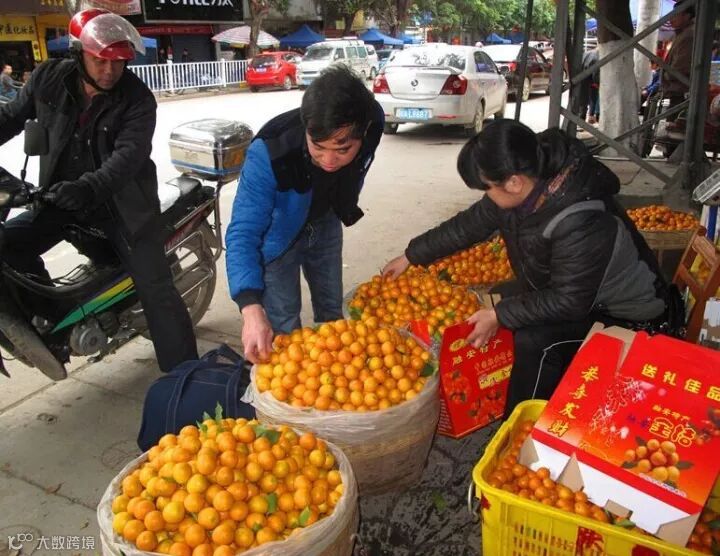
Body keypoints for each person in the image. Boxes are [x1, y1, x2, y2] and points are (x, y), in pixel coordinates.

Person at [383, 119, 667, 416]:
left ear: (514, 183)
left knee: (535, 340)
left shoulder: (580, 218)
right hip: (574, 292)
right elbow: (468, 225)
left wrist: (500, 315)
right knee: (501, 296)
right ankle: (514, 386)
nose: (486, 195)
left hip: (626, 316)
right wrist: (410, 256)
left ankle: (518, 426)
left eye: (487, 187)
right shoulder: (527, 183)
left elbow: (569, 301)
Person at [0, 8, 198, 372]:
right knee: (8, 243)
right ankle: (54, 322)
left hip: (122, 210)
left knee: (156, 290)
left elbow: (127, 158)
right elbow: (12, 117)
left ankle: (186, 377)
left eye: (118, 62)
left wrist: (87, 188)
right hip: (61, 199)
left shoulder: (137, 99)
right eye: (100, 60)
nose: (110, 70)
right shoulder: (48, 78)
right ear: (79, 54)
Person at [226, 65, 384, 364]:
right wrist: (250, 306)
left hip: (326, 223)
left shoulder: (373, 121)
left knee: (333, 317)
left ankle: (338, 378)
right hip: (277, 240)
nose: (329, 160)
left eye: (342, 150)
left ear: (362, 133)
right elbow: (243, 232)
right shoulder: (270, 152)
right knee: (285, 331)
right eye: (318, 147)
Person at [662, 3, 694, 120]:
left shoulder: (688, 35)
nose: (671, 19)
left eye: (675, 15)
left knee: (675, 123)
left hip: (680, 92)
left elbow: (680, 68)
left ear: (687, 16)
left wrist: (665, 75)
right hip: (675, 90)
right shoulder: (681, 34)